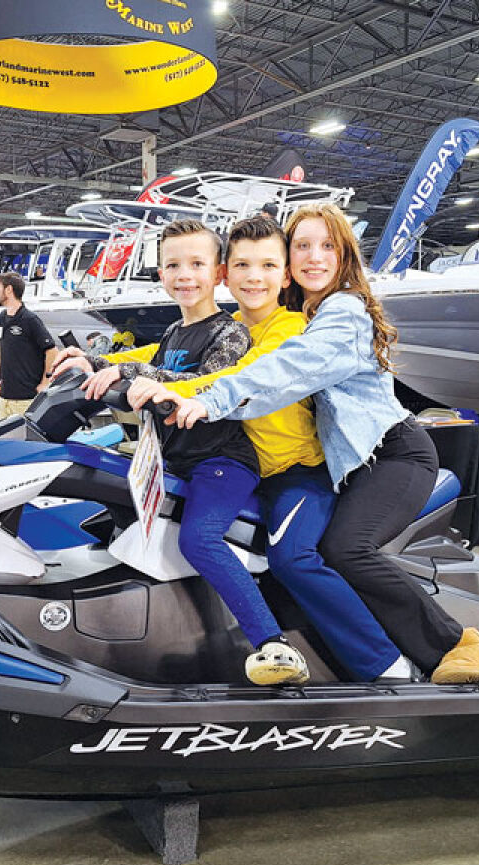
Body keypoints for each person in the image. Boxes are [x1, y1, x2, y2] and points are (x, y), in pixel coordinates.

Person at [158, 203, 479, 685]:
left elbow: (286, 368)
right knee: (313, 553)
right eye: (302, 245)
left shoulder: (341, 312)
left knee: (342, 549)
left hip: (391, 453)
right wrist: (109, 367)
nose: (314, 256)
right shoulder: (293, 314)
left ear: (344, 256)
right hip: (349, 464)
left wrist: (208, 398)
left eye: (327, 246)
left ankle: (454, 646)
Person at [129, 215, 405, 683]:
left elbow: (237, 375)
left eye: (268, 266)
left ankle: (385, 664)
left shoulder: (290, 327)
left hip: (299, 473)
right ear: (226, 273)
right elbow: (158, 355)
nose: (254, 277)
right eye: (243, 265)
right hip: (256, 471)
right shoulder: (232, 326)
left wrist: (169, 389)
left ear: (286, 275)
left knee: (293, 557)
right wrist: (102, 365)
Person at [53, 219, 302, 687]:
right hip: (176, 460)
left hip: (221, 461)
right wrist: (95, 363)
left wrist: (132, 376)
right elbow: (151, 362)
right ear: (161, 273)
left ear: (218, 273)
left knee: (199, 538)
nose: (184, 275)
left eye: (196, 264)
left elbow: (206, 380)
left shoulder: (230, 333)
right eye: (172, 265)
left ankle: (272, 643)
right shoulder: (173, 331)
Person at [0, 271, 56, 418]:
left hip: (25, 399)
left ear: (8, 290)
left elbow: (52, 351)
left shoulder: (30, 319)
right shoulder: (2, 317)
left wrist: (45, 382)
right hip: (4, 397)